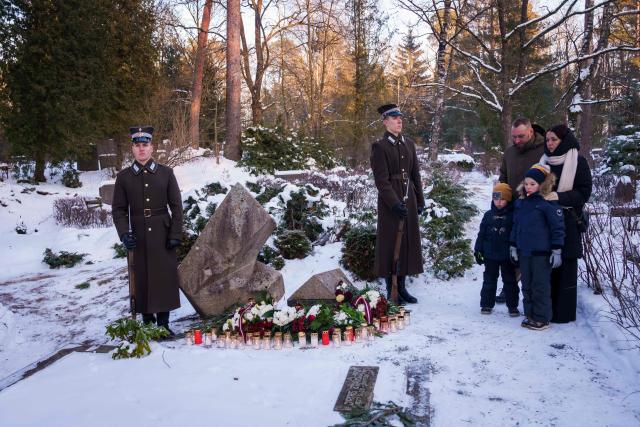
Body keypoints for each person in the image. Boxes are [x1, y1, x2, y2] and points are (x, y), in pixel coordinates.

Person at [112, 126, 183, 335]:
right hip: (138, 234)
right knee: (142, 276)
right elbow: (118, 209)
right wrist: (125, 233)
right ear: (132, 149)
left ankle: (163, 324)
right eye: (137, 146)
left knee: (163, 277)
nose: (141, 149)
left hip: (163, 232)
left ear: (152, 148)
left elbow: (177, 206)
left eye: (145, 145)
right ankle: (147, 323)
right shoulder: (124, 177)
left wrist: (175, 234)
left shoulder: (166, 173)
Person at [370, 104, 425, 304]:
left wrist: (419, 200)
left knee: (407, 243)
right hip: (389, 203)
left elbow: (415, 174)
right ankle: (390, 288)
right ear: (385, 121)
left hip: (408, 198)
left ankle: (402, 288)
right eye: (394, 117)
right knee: (391, 243)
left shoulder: (409, 144)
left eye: (400, 117)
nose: (399, 120)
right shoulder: (380, 147)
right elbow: (381, 180)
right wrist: (393, 203)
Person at [540, 124, 592, 323]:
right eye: (547, 140)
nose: (550, 143)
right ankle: (546, 310)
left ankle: (564, 314)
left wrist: (559, 197)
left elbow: (584, 192)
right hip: (546, 223)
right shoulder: (543, 162)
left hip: (569, 222)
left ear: (564, 140)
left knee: (566, 268)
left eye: (554, 139)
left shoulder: (577, 161)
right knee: (548, 266)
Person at [495, 117, 546, 304]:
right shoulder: (509, 153)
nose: (517, 141)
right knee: (511, 249)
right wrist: (500, 201)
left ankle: (533, 292)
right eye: (514, 137)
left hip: (537, 211)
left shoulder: (544, 151)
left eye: (521, 137)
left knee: (532, 253)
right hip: (513, 209)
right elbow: (503, 178)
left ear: (531, 132)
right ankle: (509, 287)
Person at [510, 164, 565, 330]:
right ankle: (530, 314)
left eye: (532, 184)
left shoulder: (547, 203)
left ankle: (541, 318)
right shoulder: (521, 203)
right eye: (526, 183)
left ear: (542, 184)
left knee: (539, 286)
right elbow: (516, 225)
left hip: (541, 253)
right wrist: (513, 246)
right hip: (524, 251)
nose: (528, 187)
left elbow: (558, 227)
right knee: (526, 284)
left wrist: (557, 249)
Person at [474, 183, 519, 316]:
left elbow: (516, 234)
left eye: (502, 199)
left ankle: (512, 306)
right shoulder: (488, 215)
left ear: (509, 200)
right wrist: (478, 250)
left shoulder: (513, 216)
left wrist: (516, 250)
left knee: (510, 282)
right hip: (490, 254)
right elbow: (481, 234)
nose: (498, 202)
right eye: (496, 199)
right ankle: (486, 305)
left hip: (507, 256)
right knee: (489, 280)